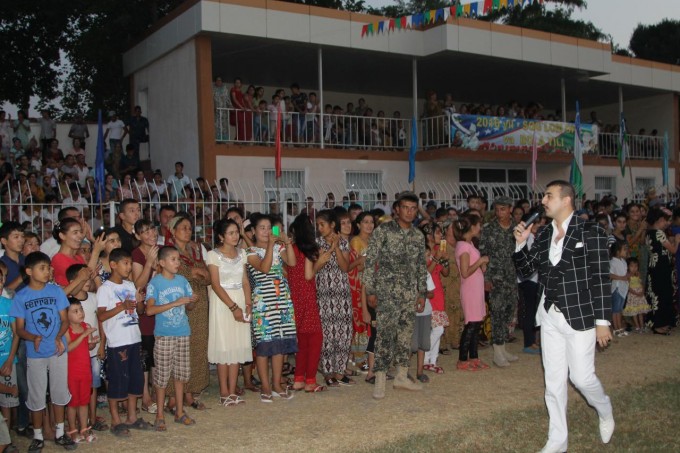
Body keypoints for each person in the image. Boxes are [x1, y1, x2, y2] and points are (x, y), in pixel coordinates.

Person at [513, 180, 614, 453]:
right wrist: (521, 244)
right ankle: (557, 441)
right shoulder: (544, 234)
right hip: (549, 316)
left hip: (581, 315)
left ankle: (604, 408)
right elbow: (526, 270)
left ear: (566, 200)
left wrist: (603, 322)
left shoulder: (591, 231)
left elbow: (601, 279)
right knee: (553, 381)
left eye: (549, 196)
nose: (543, 201)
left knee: (582, 378)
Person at [362, 192, 428, 399]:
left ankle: (401, 377)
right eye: (405, 207)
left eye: (413, 208)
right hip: (387, 293)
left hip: (409, 294)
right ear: (397, 209)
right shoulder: (384, 231)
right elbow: (370, 261)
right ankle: (380, 379)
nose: (409, 212)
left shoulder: (418, 236)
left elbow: (420, 266)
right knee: (384, 336)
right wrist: (370, 291)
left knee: (405, 335)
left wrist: (421, 293)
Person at [10, 252, 76, 451]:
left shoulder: (56, 292)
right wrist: (33, 337)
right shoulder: (21, 296)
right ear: (29, 271)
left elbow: (64, 320)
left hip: (57, 350)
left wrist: (58, 336)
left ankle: (60, 432)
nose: (47, 271)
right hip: (35, 353)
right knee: (37, 395)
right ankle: (38, 435)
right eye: (42, 268)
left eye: (48, 267)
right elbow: (19, 328)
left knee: (59, 392)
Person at [97, 248, 151, 437]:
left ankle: (132, 417)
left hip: (133, 338)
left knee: (135, 379)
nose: (129, 267)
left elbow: (140, 311)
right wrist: (122, 307)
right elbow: (101, 315)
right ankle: (115, 420)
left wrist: (139, 301)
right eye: (125, 263)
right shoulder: (105, 289)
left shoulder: (129, 285)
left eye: (130, 263)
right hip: (117, 342)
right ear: (113, 265)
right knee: (118, 380)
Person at [246, 214, 297, 403]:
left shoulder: (278, 247)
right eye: (262, 228)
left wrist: (287, 243)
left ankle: (277, 384)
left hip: (282, 301)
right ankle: (266, 386)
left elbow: (292, 263)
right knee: (264, 346)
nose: (267, 232)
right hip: (263, 305)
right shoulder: (250, 252)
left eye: (269, 228)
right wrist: (270, 246)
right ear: (253, 232)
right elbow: (265, 268)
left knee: (280, 344)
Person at [146, 246, 198, 430]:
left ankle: (179, 411)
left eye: (178, 259)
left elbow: (188, 308)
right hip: (164, 335)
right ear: (161, 263)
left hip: (183, 332)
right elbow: (149, 310)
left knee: (181, 375)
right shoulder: (155, 283)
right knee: (161, 377)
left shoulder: (183, 280)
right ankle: (159, 414)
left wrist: (191, 302)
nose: (178, 263)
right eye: (173, 259)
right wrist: (175, 302)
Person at [164, 214, 210, 410]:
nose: (188, 230)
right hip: (178, 305)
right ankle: (174, 396)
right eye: (183, 227)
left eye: (189, 227)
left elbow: (207, 276)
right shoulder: (167, 252)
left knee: (196, 349)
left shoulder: (196, 250)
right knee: (178, 350)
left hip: (199, 306)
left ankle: (190, 393)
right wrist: (195, 273)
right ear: (173, 231)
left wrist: (196, 274)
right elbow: (180, 274)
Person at [206, 219, 253, 405]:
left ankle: (233, 391)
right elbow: (215, 285)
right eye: (231, 233)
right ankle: (224, 392)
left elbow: (245, 281)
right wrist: (233, 307)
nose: (235, 236)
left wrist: (247, 304)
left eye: (236, 232)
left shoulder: (242, 253)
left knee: (236, 345)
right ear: (221, 236)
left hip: (240, 299)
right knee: (224, 345)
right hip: (223, 303)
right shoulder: (213, 255)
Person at [65, 264, 107, 433]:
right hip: (75, 355)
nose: (88, 280)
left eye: (90, 277)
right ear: (73, 281)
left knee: (93, 386)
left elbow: (100, 321)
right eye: (84, 277)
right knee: (75, 390)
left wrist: (101, 343)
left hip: (93, 350)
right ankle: (75, 424)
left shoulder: (94, 297)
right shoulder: (68, 302)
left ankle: (91, 417)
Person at [287, 215, 326, 393]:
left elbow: (289, 271)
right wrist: (320, 261)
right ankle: (310, 380)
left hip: (294, 297)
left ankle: (298, 379)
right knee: (315, 339)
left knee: (301, 341)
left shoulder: (291, 248)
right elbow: (309, 275)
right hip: (308, 297)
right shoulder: (309, 248)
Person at [479, 195, 519, 368]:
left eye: (503, 209)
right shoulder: (488, 229)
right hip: (495, 278)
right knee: (497, 314)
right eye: (497, 209)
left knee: (509, 312)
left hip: (512, 276)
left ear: (510, 209)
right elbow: (483, 255)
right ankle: (497, 352)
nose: (499, 212)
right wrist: (486, 279)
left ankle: (502, 349)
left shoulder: (517, 229)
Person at [315, 210, 353, 387]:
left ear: (332, 225)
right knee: (327, 334)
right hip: (324, 294)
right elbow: (316, 267)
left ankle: (339, 371)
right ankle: (328, 372)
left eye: (322, 224)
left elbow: (345, 267)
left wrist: (336, 246)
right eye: (318, 225)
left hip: (342, 294)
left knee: (344, 332)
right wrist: (328, 249)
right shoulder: (316, 244)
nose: (319, 228)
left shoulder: (344, 243)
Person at [130, 219, 160, 414]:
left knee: (158, 354)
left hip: (161, 307)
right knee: (145, 355)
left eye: (152, 229)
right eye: (145, 231)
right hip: (145, 310)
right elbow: (137, 284)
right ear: (137, 236)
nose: (150, 234)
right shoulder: (137, 254)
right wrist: (149, 263)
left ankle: (158, 394)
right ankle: (145, 397)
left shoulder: (161, 249)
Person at [454, 214, 489, 370]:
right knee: (471, 325)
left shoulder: (470, 244)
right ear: (472, 227)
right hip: (470, 289)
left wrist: (481, 265)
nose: (480, 228)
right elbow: (465, 272)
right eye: (478, 225)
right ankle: (462, 359)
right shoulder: (463, 246)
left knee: (476, 323)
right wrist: (480, 262)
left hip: (476, 288)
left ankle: (474, 357)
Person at [64, 299, 98, 444]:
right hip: (71, 372)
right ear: (66, 315)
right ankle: (72, 429)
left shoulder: (86, 326)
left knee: (84, 401)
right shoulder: (66, 329)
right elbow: (68, 348)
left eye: (81, 309)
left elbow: (88, 348)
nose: (80, 313)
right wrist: (84, 335)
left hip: (85, 371)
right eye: (75, 311)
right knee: (72, 403)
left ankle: (84, 428)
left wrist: (92, 342)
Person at [644, 206, 678, 335]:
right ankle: (659, 324)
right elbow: (673, 250)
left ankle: (658, 323)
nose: (666, 223)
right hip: (661, 268)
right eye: (664, 220)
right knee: (663, 294)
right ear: (659, 220)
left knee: (657, 294)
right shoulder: (659, 233)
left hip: (654, 267)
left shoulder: (648, 233)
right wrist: (677, 241)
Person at [348, 212, 374, 371]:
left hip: (372, 284)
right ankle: (359, 357)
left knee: (370, 321)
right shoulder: (356, 242)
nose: (369, 225)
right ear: (358, 225)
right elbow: (358, 266)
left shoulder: (373, 241)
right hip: (359, 284)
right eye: (365, 222)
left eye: (371, 222)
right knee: (361, 320)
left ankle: (368, 355)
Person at [0, 267, 19, 434]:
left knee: (7, 403)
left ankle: (6, 439)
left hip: (7, 359)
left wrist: (10, 358)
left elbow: (16, 333)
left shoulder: (8, 304)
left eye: (0, 280)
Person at [621, 257, 650, 333]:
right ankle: (637, 326)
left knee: (640, 312)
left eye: (636, 266)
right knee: (634, 312)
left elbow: (641, 284)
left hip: (640, 294)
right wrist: (636, 293)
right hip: (633, 295)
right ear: (628, 267)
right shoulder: (628, 275)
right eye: (632, 266)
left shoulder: (638, 274)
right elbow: (628, 287)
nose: (634, 268)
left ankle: (642, 326)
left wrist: (643, 291)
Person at [609, 242, 629, 338]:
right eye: (624, 249)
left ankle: (620, 327)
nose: (626, 251)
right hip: (616, 287)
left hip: (623, 287)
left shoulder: (624, 261)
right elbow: (610, 275)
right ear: (618, 252)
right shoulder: (612, 262)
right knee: (615, 310)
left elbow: (625, 273)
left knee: (620, 309)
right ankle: (616, 329)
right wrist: (621, 278)